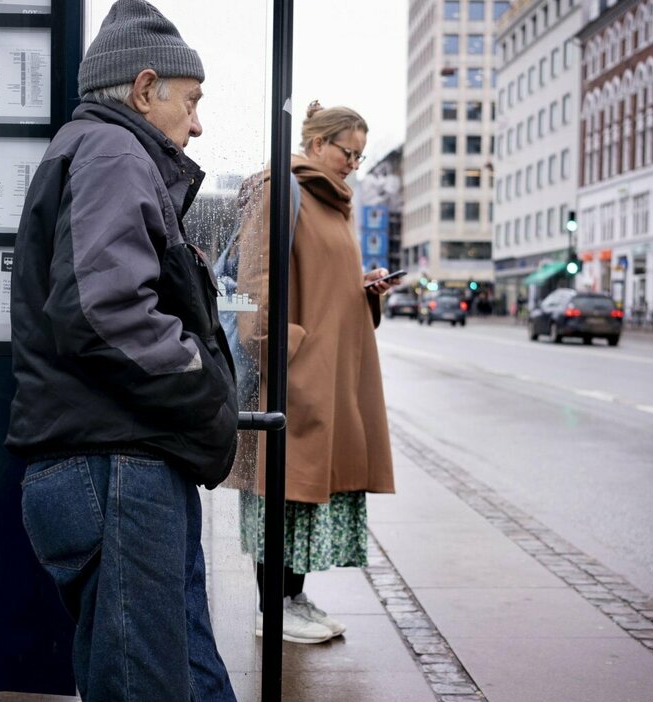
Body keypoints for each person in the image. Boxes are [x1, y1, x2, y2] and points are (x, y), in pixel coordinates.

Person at [6, 1, 238, 700]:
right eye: (190, 101)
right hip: (116, 469)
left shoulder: (95, 149)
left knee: (176, 675)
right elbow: (106, 313)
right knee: (148, 686)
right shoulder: (113, 150)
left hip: (110, 465)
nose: (197, 123)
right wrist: (207, 390)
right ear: (144, 90)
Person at [234, 102, 397, 644]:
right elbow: (254, 277)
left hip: (333, 371)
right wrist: (281, 350)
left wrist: (363, 290)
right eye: (346, 150)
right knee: (284, 490)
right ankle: (270, 610)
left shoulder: (336, 203)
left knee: (306, 494)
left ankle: (292, 599)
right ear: (317, 142)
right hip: (295, 370)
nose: (353, 162)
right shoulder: (282, 189)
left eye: (360, 154)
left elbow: (326, 284)